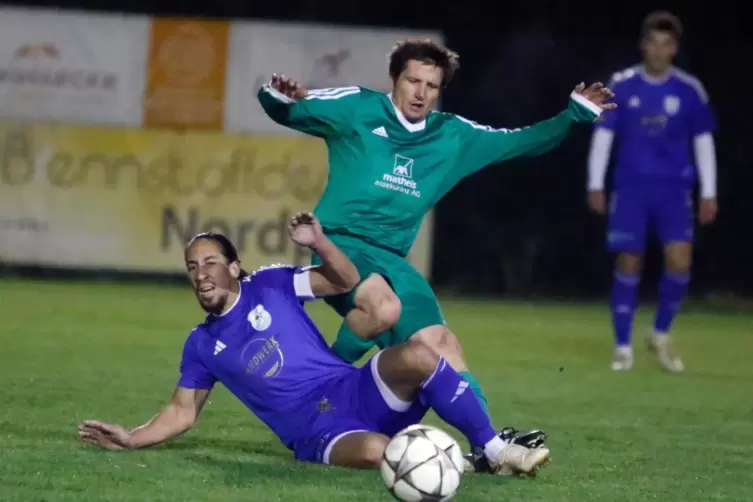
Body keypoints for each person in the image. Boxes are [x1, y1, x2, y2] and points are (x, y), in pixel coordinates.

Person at [256, 38, 614, 469]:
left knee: (441, 344)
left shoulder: (453, 135)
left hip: (391, 258)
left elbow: (521, 143)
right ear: (395, 80)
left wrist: (572, 115)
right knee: (383, 309)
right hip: (340, 245)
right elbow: (291, 109)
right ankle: (322, 396)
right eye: (413, 81)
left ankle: (489, 448)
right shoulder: (357, 107)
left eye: (432, 85)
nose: (421, 92)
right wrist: (275, 94)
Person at [76, 212, 550, 477]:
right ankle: (458, 465)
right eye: (193, 267)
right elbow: (182, 411)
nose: (202, 274)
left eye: (211, 263)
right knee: (378, 453)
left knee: (422, 354)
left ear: (235, 267)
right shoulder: (201, 345)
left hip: (350, 388)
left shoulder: (273, 283)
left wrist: (320, 243)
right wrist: (133, 437)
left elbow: (343, 278)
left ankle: (492, 449)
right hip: (314, 430)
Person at [586, 11, 717, 372]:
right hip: (631, 190)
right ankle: (623, 345)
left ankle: (660, 334)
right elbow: (604, 135)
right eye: (653, 42)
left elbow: (703, 141)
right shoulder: (623, 84)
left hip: (675, 191)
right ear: (643, 45)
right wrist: (595, 183)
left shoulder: (689, 90)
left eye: (666, 44)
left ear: (674, 49)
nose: (659, 50)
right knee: (629, 260)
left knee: (680, 261)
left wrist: (710, 191)